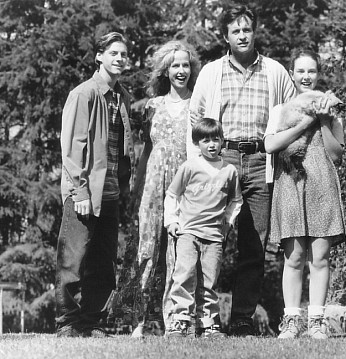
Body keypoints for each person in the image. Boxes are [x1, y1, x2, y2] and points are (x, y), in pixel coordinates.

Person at [187, 3, 296, 337]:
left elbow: (292, 116)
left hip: (262, 162)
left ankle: (242, 319)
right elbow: (196, 119)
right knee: (210, 239)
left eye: (246, 29)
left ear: (255, 32)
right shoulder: (210, 73)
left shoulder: (276, 72)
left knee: (254, 245)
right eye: (235, 30)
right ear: (226, 36)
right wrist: (201, 169)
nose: (242, 35)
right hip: (223, 160)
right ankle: (203, 318)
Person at [114, 40, 201, 337]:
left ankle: (179, 320)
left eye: (185, 65)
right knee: (147, 248)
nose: (181, 70)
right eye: (174, 65)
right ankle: (139, 321)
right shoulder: (153, 106)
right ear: (165, 70)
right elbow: (146, 151)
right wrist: (136, 188)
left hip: (186, 185)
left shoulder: (197, 105)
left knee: (180, 250)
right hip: (153, 185)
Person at [264, 49, 346, 339]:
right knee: (294, 256)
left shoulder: (330, 110)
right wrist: (305, 121)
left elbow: (337, 153)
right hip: (290, 182)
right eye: (300, 71)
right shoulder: (281, 110)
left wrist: (324, 120)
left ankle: (316, 320)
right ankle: (291, 320)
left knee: (320, 257)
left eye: (311, 71)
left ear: (318, 74)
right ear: (291, 74)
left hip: (322, 183)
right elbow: (271, 146)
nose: (306, 77)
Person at [55, 32, 135, 338]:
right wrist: (81, 192)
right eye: (113, 53)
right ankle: (68, 324)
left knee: (103, 263)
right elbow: (73, 149)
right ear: (99, 56)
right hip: (84, 193)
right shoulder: (84, 94)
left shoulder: (121, 97)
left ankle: (93, 322)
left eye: (123, 54)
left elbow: (123, 149)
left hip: (111, 193)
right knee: (73, 259)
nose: (119, 58)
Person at [164, 118, 242, 338]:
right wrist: (172, 221)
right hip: (188, 232)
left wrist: (228, 221)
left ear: (222, 141)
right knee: (184, 275)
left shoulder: (229, 171)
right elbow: (172, 195)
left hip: (215, 236)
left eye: (215, 139)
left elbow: (236, 201)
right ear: (196, 143)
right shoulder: (189, 167)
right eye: (205, 140)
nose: (211, 144)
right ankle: (179, 321)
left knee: (208, 280)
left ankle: (207, 324)